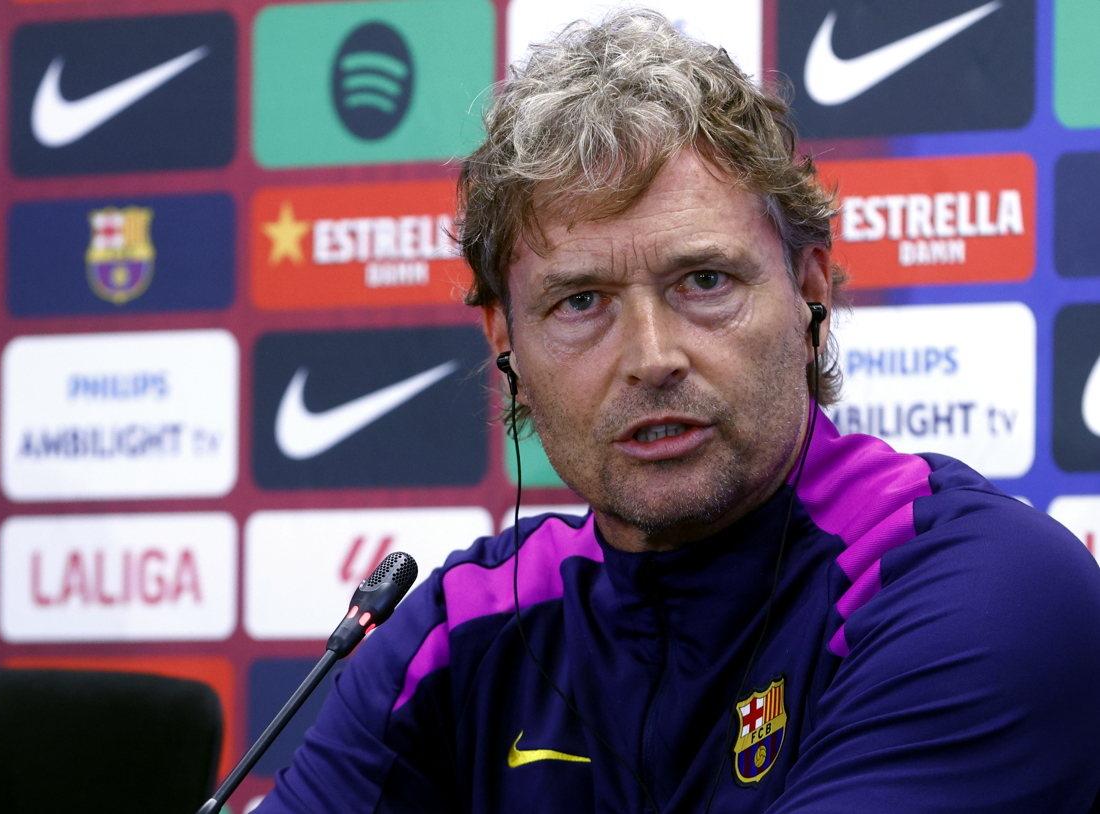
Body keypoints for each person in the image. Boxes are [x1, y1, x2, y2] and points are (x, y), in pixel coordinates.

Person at [256, 10, 1100, 813]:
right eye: (581, 301)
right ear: (505, 339)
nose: (651, 356)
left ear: (810, 292)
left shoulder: (978, 584)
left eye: (704, 281)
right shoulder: (456, 630)